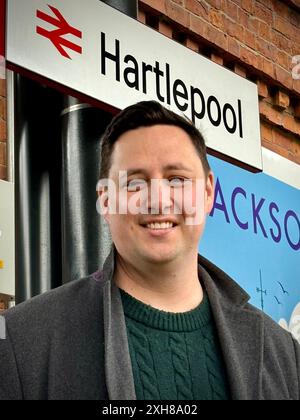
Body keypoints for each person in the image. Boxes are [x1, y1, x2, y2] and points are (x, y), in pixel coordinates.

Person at [0, 101, 299, 400]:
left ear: (208, 192)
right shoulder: (22, 340)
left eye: (177, 179)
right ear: (105, 200)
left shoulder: (285, 354)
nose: (157, 200)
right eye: (134, 183)